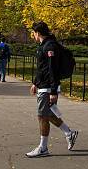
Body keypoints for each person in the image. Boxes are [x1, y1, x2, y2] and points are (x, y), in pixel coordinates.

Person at [26, 21, 78, 158]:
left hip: (48, 87)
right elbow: (42, 68)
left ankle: (43, 148)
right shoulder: (44, 45)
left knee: (42, 116)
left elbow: (52, 69)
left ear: (37, 33)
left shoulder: (50, 46)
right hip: (43, 85)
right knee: (47, 114)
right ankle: (68, 133)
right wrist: (35, 83)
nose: (33, 36)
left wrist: (53, 91)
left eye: (33, 33)